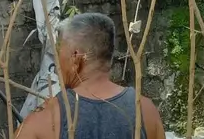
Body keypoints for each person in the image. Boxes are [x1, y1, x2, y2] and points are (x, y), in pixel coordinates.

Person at [15, 12, 166, 139]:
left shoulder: (46, 120)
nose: (57, 64)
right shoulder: (146, 111)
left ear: (75, 58)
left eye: (59, 54)